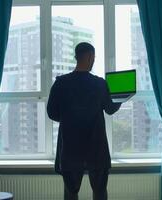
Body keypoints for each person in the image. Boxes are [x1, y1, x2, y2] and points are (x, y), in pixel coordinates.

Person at [47, 42, 122, 200]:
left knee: (71, 193)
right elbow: (110, 109)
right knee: (100, 192)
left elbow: (51, 113)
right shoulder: (100, 84)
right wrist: (122, 98)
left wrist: (69, 118)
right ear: (90, 57)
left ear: (76, 57)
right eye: (93, 57)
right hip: (96, 148)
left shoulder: (61, 83)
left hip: (70, 149)